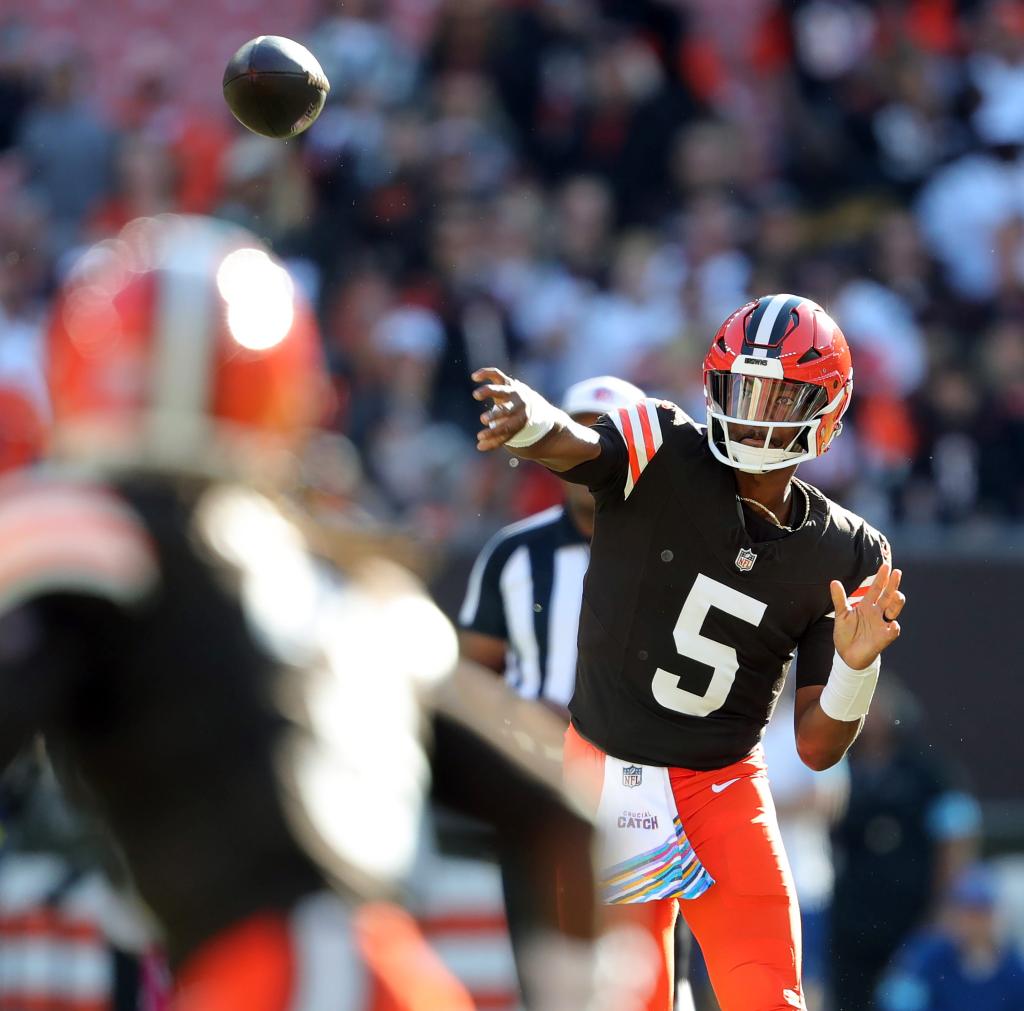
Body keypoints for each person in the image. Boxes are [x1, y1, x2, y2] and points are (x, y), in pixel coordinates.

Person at [0, 214, 598, 1011]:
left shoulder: (93, 530)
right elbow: (566, 813)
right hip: (375, 975)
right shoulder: (348, 584)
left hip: (284, 978)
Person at [471, 292, 908, 1011]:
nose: (756, 412)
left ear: (824, 410)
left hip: (723, 788)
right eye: (744, 388)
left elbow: (821, 745)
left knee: (769, 998)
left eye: (779, 395)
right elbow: (577, 446)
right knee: (625, 1000)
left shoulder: (849, 551)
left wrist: (857, 669)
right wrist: (532, 422)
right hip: (608, 780)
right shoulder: (661, 446)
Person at [459, 375, 696, 1010]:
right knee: (547, 973)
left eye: (601, 432)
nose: (581, 445)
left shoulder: (676, 548)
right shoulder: (515, 553)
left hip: (651, 785)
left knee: (658, 977)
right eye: (575, 426)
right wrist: (516, 727)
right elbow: (472, 671)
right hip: (540, 789)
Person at [830, 679, 981, 1011]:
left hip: (913, 916)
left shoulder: (927, 771)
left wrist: (946, 906)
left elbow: (957, 835)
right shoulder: (838, 769)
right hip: (850, 918)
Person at [876, 864, 1024, 1011]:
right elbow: (897, 1002)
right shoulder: (926, 956)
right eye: (967, 913)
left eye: (982, 913)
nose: (975, 923)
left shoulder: (1014, 968)